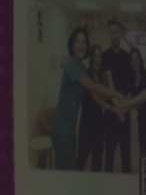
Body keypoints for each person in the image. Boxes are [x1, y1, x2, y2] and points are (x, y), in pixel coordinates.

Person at [50, 28, 125, 171]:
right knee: (70, 173)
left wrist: (113, 108)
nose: (81, 45)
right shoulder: (71, 66)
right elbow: (94, 86)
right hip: (61, 129)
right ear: (73, 45)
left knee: (65, 172)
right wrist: (117, 95)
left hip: (70, 130)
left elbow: (95, 96)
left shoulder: (82, 69)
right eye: (78, 41)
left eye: (84, 42)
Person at [101, 20, 134, 173]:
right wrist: (117, 109)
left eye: (117, 32)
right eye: (112, 32)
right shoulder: (105, 56)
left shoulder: (127, 56)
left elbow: (130, 85)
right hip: (111, 113)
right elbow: (109, 83)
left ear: (121, 34)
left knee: (126, 157)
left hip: (125, 113)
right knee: (109, 157)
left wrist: (124, 107)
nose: (115, 35)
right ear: (109, 34)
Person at [75, 44, 110, 172]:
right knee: (81, 162)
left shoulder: (103, 77)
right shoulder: (85, 74)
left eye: (100, 56)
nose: (97, 59)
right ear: (91, 58)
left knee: (97, 164)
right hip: (86, 125)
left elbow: (105, 98)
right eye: (95, 56)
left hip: (99, 125)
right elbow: (96, 96)